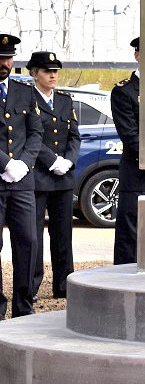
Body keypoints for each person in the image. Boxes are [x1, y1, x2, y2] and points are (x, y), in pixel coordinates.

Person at [28, 51, 79, 299]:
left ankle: (63, 285)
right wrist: (52, 161)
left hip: (63, 178)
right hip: (38, 176)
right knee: (33, 235)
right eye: (47, 71)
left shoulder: (64, 100)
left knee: (62, 235)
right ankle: (31, 286)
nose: (52, 76)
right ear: (34, 73)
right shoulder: (27, 99)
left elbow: (74, 136)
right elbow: (29, 138)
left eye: (55, 71)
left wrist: (68, 160)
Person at [112, 37, 145, 265]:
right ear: (137, 55)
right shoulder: (124, 91)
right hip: (137, 173)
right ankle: (123, 284)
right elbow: (130, 134)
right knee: (131, 235)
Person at [0, 34, 43, 320]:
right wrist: (4, 163)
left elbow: (35, 132)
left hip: (22, 182)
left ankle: (23, 305)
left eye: (8, 57)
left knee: (28, 241)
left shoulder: (24, 91)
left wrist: (24, 164)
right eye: (1, 58)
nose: (5, 63)